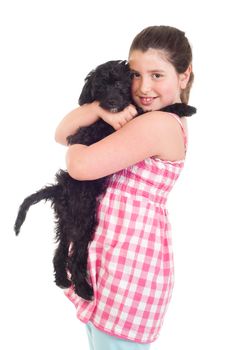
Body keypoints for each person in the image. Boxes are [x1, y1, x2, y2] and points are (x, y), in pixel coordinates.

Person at [55, 25, 194, 350]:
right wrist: (95, 110)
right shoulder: (145, 117)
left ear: (184, 76)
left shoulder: (158, 124)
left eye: (157, 75)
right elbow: (61, 132)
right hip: (111, 260)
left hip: (128, 269)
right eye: (136, 74)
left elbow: (80, 164)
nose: (144, 87)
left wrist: (79, 143)